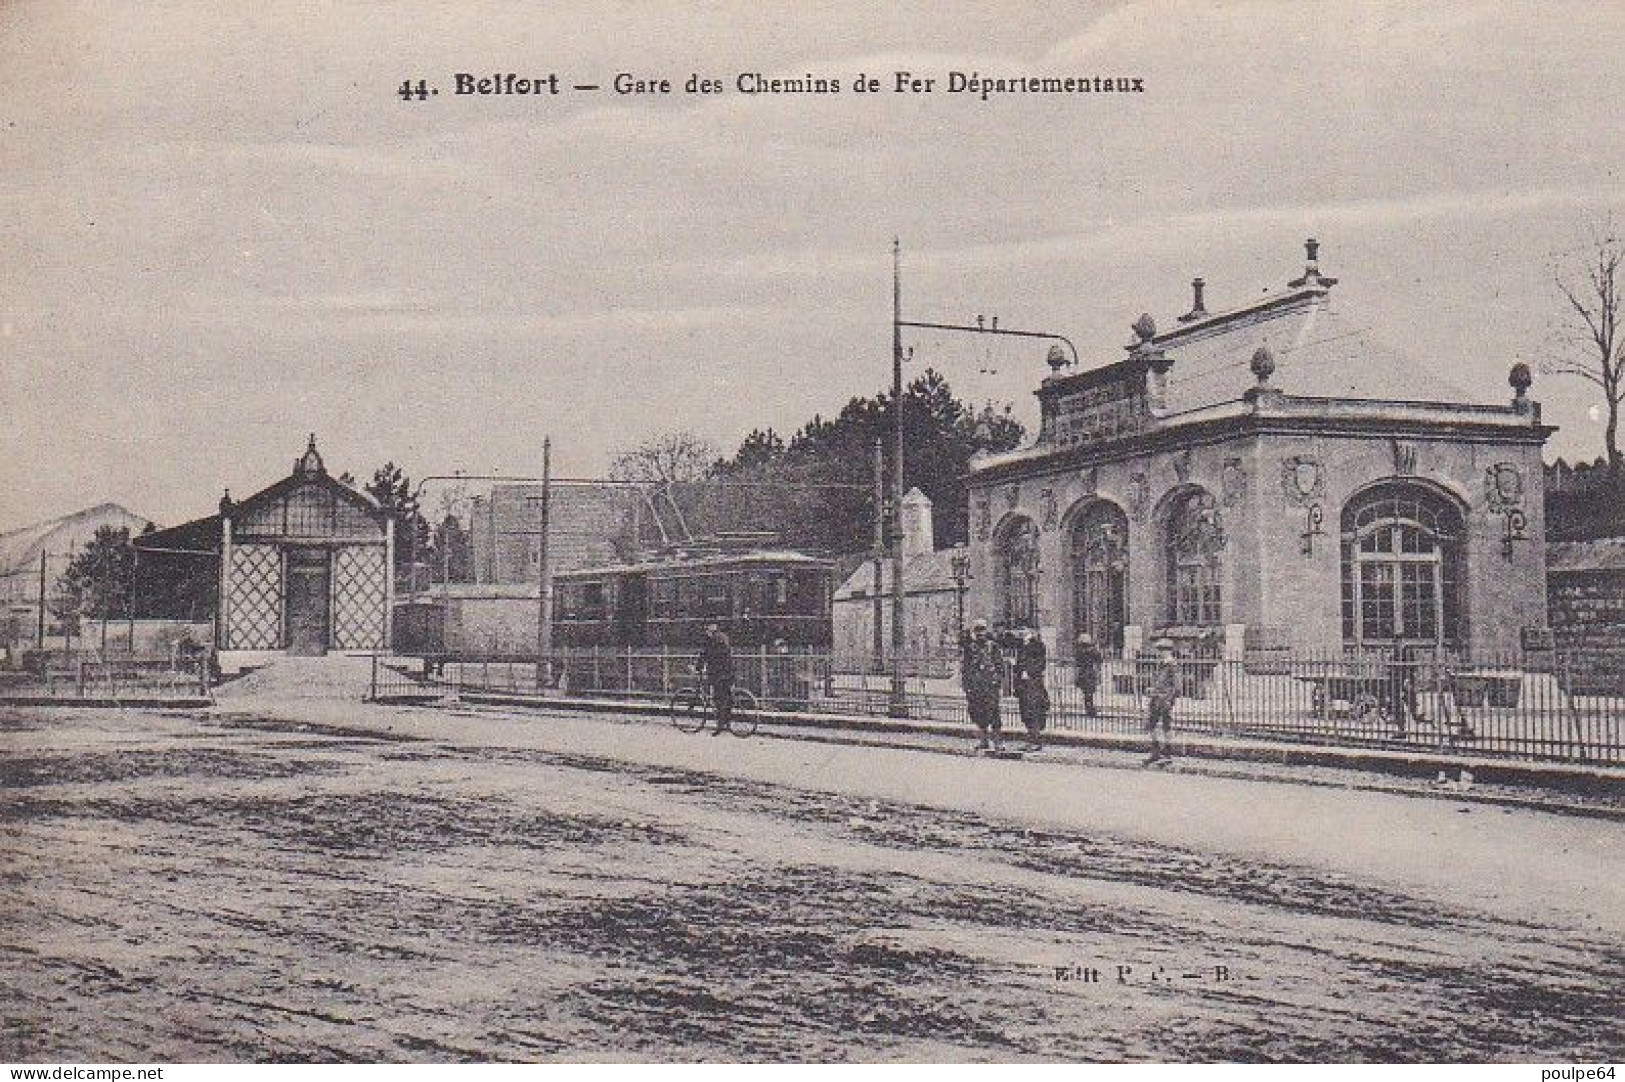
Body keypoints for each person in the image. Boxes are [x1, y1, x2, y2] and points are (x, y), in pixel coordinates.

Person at [959, 618, 1004, 752]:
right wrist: (966, 685)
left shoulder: (992, 646)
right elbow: (965, 668)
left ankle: (997, 742)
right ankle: (983, 740)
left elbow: (1000, 665)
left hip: (990, 686)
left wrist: (998, 681)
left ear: (986, 631)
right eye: (977, 630)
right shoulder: (970, 648)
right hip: (975, 686)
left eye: (982, 629)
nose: (980, 633)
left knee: (994, 713)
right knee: (979, 713)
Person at [1014, 627, 1050, 751]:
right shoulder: (1021, 645)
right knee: (1025, 712)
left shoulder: (1038, 645)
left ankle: (1035, 741)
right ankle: (1032, 740)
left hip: (1033, 683)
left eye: (1024, 630)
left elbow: (1041, 664)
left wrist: (1029, 672)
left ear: (1031, 632)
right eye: (1021, 630)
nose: (1021, 632)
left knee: (1034, 711)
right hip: (1023, 684)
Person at [1145, 638, 1179, 765]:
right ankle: (1155, 752)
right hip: (1156, 698)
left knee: (1166, 726)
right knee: (1151, 725)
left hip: (1165, 700)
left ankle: (1167, 753)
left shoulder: (1172, 665)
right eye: (1159, 650)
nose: (1159, 653)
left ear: (1168, 651)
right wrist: (1152, 689)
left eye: (1162, 650)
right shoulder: (1160, 664)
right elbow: (1159, 682)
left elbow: (1177, 686)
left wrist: (1169, 699)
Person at [696, 623, 735, 735]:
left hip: (718, 674)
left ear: (710, 630)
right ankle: (727, 722)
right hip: (729, 672)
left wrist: (699, 667)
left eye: (707, 629)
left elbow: (705, 654)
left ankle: (720, 726)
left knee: (718, 700)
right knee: (727, 699)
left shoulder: (711, 640)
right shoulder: (724, 637)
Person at [1073, 631, 1103, 717]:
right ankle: (1090, 709)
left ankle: (1089, 708)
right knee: (1089, 692)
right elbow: (1099, 661)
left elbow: (1077, 665)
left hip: (1083, 673)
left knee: (1087, 693)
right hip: (1090, 672)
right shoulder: (1093, 651)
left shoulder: (1079, 652)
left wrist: (1076, 676)